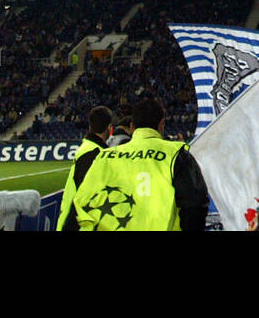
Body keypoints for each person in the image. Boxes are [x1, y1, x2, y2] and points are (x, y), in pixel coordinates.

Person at [67, 97, 210, 231]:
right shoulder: (176, 154)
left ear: (132, 126)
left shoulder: (105, 156)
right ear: (161, 125)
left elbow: (81, 205)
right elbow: (195, 206)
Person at [56, 105, 113, 231]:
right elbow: (83, 198)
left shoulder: (88, 148)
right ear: (109, 128)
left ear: (90, 126)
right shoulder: (94, 154)